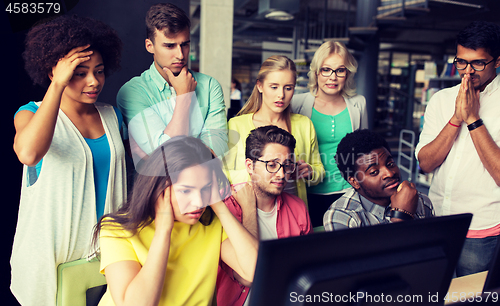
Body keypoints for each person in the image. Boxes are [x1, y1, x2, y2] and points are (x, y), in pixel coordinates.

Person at [10, 15, 126, 306]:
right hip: (54, 258)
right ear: (54, 72)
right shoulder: (31, 113)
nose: (93, 81)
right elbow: (28, 154)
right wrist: (58, 85)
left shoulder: (112, 116)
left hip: (107, 256)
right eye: (79, 72)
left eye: (99, 71)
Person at [94, 136, 258, 306]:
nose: (199, 202)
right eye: (186, 191)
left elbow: (254, 271)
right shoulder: (116, 231)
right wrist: (163, 232)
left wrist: (218, 204)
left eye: (206, 188)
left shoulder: (210, 223)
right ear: (158, 187)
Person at [416, 21, 500, 277]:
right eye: (461, 62)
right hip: (438, 220)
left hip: (482, 228)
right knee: (432, 294)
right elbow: (426, 164)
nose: (467, 71)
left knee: (471, 300)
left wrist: (473, 119)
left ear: (497, 61)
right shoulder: (441, 99)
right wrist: (456, 117)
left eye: (478, 63)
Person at [117, 3, 228, 161]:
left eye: (185, 44)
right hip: (157, 186)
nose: (180, 55)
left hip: (204, 185)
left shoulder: (210, 86)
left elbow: (219, 149)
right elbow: (161, 155)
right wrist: (184, 95)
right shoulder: (132, 92)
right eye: (170, 46)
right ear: (150, 46)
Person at [217, 125, 313, 306]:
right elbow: (247, 276)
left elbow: (308, 269)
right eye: (272, 165)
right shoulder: (226, 209)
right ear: (249, 166)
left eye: (287, 165)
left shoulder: (298, 208)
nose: (282, 174)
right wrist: (249, 210)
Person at [222, 55, 324, 208]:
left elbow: (319, 170)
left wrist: (309, 171)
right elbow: (225, 172)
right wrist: (260, 172)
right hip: (250, 211)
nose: (281, 95)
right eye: (274, 87)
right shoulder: (236, 125)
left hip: (294, 214)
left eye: (288, 88)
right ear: (260, 86)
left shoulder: (304, 125)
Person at [291, 40, 368, 227]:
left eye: (340, 70)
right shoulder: (297, 103)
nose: (332, 77)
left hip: (348, 192)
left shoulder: (358, 104)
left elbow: (366, 149)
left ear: (347, 73)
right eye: (326, 70)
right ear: (316, 72)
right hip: (309, 192)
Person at [324, 129, 434, 231]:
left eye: (390, 164)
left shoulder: (420, 201)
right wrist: (401, 216)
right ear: (354, 182)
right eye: (374, 172)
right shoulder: (341, 216)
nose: (389, 173)